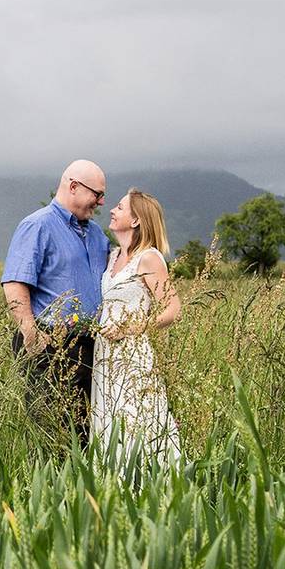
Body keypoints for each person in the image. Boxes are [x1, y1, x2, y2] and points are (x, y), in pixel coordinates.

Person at [1, 159, 112, 448]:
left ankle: (84, 491)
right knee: (52, 431)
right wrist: (30, 332)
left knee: (86, 431)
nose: (100, 202)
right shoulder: (37, 225)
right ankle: (50, 492)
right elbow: (15, 283)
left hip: (90, 347)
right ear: (73, 186)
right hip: (48, 341)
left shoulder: (98, 236)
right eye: (96, 194)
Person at [91, 189, 181, 465]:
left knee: (135, 421)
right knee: (107, 423)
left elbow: (173, 308)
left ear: (136, 220)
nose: (112, 210)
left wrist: (132, 328)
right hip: (104, 355)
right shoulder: (113, 256)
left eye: (119, 207)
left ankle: (147, 488)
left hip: (132, 355)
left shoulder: (149, 258)